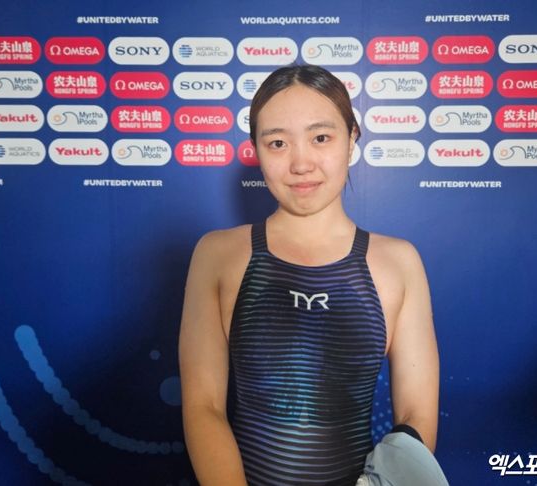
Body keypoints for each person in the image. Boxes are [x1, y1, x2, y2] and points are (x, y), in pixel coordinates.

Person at [179, 64, 441, 485]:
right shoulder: (217, 254)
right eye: (278, 143)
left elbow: (415, 417)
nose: (301, 163)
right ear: (256, 149)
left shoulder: (399, 262)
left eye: (321, 138)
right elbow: (203, 405)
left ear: (351, 139)